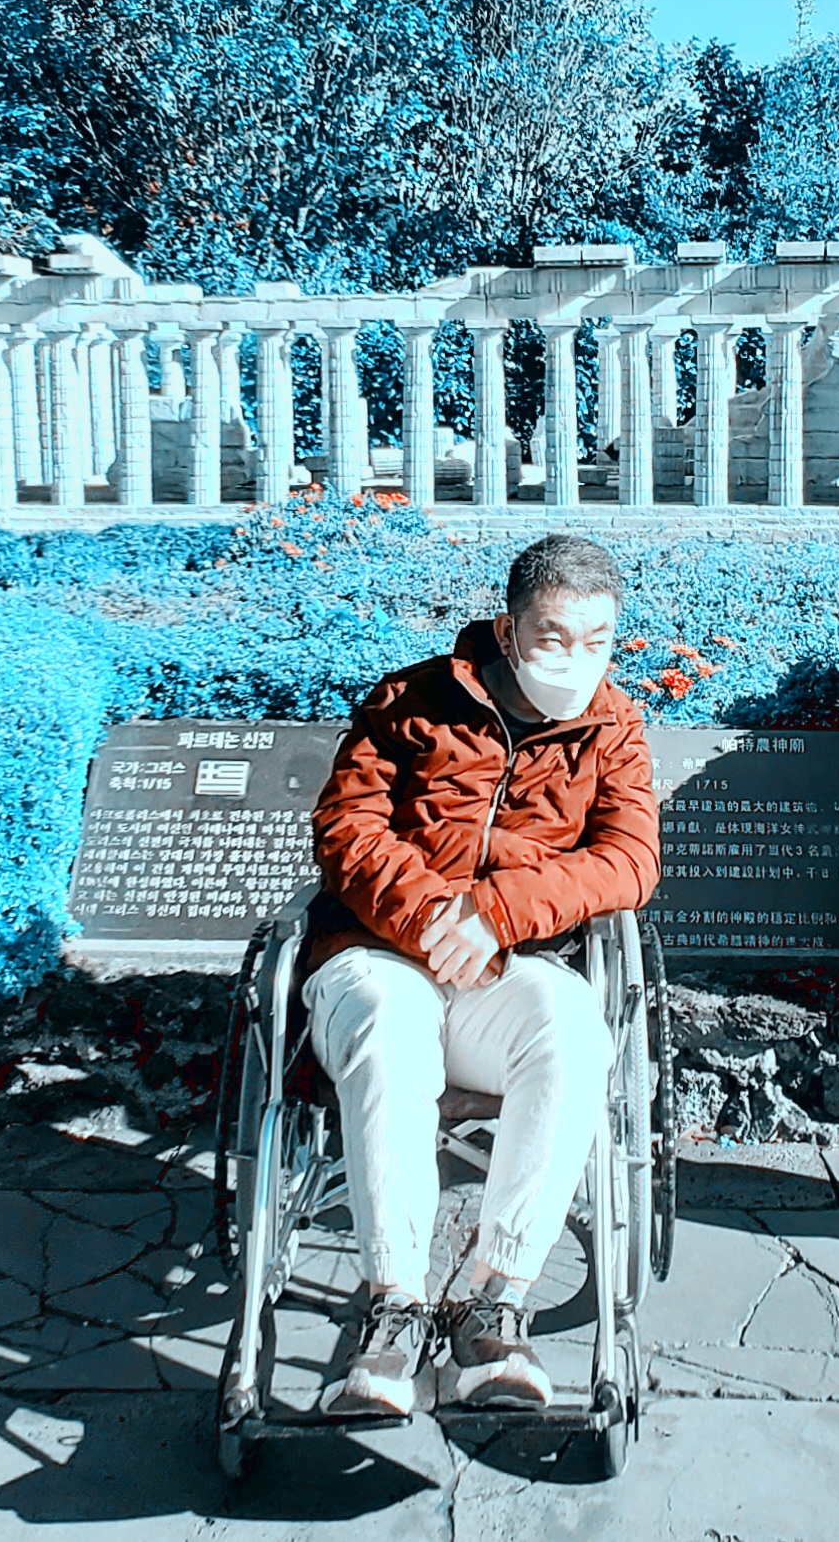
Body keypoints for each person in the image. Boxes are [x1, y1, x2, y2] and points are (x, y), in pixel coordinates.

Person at [303, 533, 660, 1417]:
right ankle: (393, 1306)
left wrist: (496, 912)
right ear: (507, 631)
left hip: (509, 966)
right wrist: (434, 918)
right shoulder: (410, 700)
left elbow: (629, 860)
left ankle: (493, 1303)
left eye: (596, 640)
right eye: (552, 637)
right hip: (378, 953)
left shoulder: (614, 728)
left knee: (574, 1031)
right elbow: (347, 830)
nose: (575, 659)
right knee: (388, 1026)